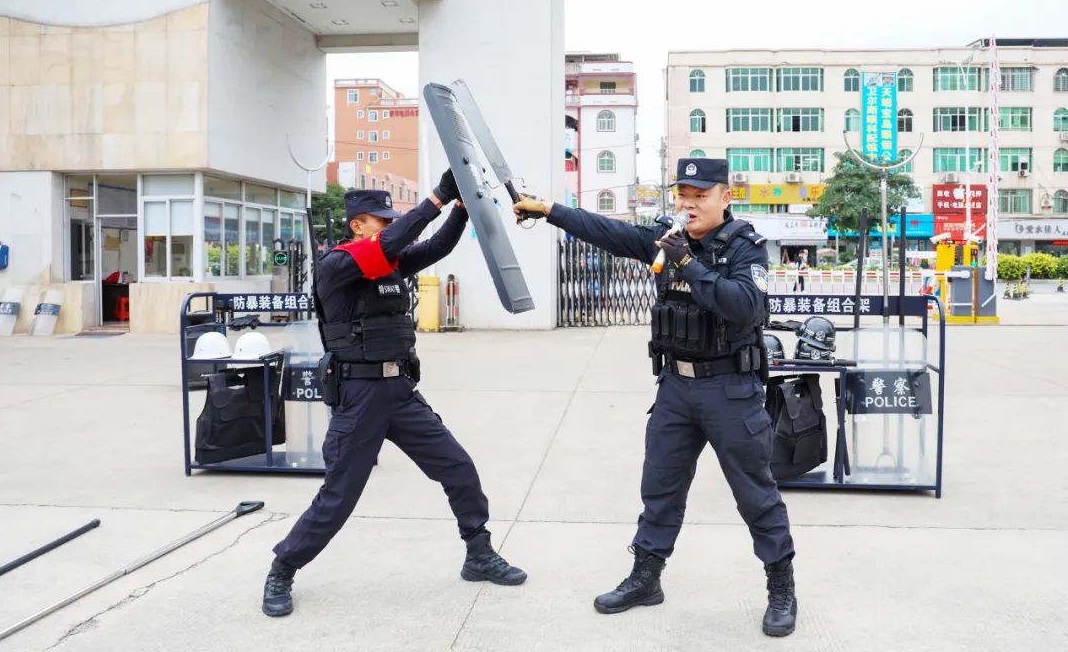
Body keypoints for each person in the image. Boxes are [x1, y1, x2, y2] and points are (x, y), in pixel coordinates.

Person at [514, 158, 798, 637]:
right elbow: (607, 231)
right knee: (660, 487)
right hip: (676, 389)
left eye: (700, 195)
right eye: (683, 194)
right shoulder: (666, 237)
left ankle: (781, 587)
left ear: (725, 197)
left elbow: (746, 306)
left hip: (731, 390)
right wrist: (548, 210)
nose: (689, 204)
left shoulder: (745, 247)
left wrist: (687, 262)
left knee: (755, 494)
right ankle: (646, 577)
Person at [262, 172, 526, 617]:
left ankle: (478, 553)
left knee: (458, 467)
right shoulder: (337, 265)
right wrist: (436, 197)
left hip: (400, 392)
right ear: (357, 225)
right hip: (359, 396)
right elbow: (394, 240)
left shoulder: (391, 263)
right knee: (339, 497)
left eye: (390, 219)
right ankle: (283, 567)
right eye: (381, 220)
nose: (389, 226)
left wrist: (461, 208)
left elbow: (436, 247)